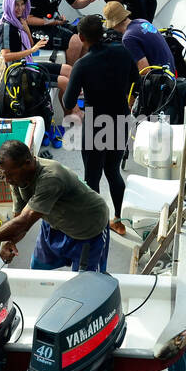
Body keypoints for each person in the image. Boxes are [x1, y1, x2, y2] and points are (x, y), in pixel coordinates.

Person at [0, 139, 111, 272]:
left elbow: (24, 222)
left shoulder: (51, 177)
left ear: (27, 164)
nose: (7, 180)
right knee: (37, 269)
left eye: (9, 174)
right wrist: (10, 242)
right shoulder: (16, 177)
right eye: (4, 174)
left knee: (86, 283)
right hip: (55, 225)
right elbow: (19, 216)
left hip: (88, 229)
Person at [61, 15, 140, 236]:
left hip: (96, 124)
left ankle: (97, 224)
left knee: (92, 177)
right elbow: (137, 80)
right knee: (113, 171)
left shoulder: (82, 64)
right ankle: (119, 220)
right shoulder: (122, 51)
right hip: (120, 119)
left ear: (81, 37)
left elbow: (67, 102)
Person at [0, 0, 70, 98]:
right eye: (16, 5)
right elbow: (6, 56)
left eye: (22, 4)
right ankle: (73, 112)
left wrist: (26, 29)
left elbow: (30, 44)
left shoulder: (19, 21)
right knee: (63, 81)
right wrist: (32, 50)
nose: (20, 8)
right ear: (8, 4)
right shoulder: (6, 27)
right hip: (20, 73)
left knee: (68, 69)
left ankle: (70, 110)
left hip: (28, 64)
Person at [100, 1, 176, 74]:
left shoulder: (128, 38)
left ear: (114, 24)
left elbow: (145, 71)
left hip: (162, 81)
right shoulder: (142, 21)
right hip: (170, 72)